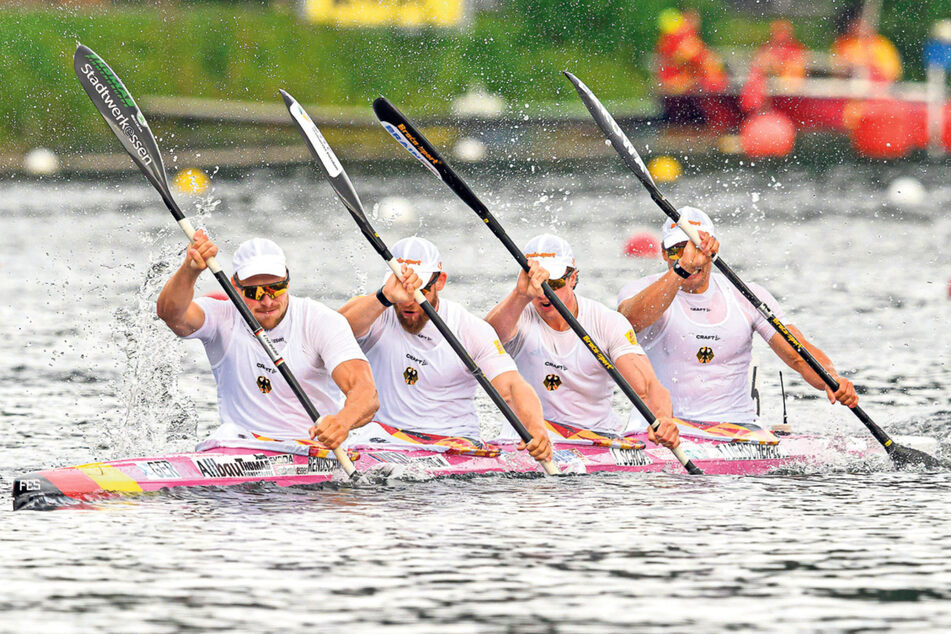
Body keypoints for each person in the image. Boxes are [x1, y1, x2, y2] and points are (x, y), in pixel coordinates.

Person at [616, 207, 858, 429]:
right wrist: (682, 270)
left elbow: (798, 354)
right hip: (662, 430)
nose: (689, 258)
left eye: (696, 248)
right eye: (677, 250)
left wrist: (831, 379)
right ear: (662, 254)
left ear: (713, 249)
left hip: (737, 428)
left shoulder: (747, 296)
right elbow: (630, 321)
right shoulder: (637, 291)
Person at [156, 231, 378, 450]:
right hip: (240, 445)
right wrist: (189, 270)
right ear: (235, 286)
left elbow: (366, 394)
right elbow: (171, 314)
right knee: (226, 434)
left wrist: (343, 422)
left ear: (288, 281)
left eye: (276, 288)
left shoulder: (320, 321)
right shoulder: (221, 317)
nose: (266, 300)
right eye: (255, 292)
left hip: (310, 449)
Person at [337, 236, 552, 462]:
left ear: (440, 282)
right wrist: (384, 296)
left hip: (455, 443)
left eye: (420, 290)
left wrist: (536, 429)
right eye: (401, 289)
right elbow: (334, 331)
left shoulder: (469, 329)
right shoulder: (376, 314)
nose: (408, 301)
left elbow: (512, 386)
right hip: (386, 441)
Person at [485, 234, 680, 449]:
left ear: (573, 278)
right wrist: (519, 295)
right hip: (528, 440)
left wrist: (663, 419)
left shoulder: (605, 322)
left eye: (554, 282)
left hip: (595, 441)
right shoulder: (516, 315)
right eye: (536, 283)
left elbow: (648, 387)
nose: (543, 293)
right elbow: (482, 345)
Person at [831, 17, 902, 83]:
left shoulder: (880, 44)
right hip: (849, 84)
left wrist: (872, 63)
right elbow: (836, 67)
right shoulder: (844, 43)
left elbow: (892, 71)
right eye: (856, 24)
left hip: (876, 86)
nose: (861, 27)